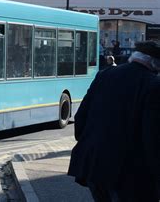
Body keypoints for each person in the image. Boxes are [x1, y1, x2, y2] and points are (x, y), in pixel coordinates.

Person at [67, 41, 160, 201]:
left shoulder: (105, 75)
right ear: (155, 63)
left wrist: (90, 144)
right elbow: (151, 136)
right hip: (131, 172)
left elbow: (81, 117)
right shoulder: (153, 85)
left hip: (95, 165)